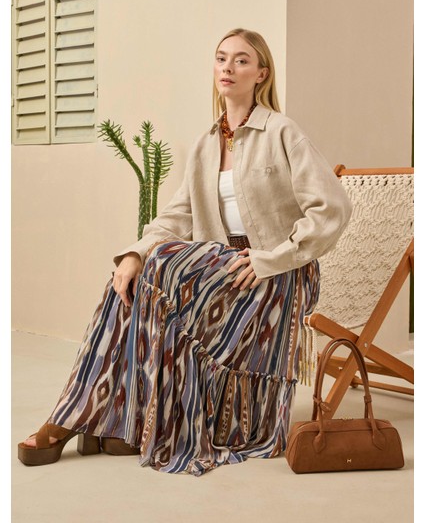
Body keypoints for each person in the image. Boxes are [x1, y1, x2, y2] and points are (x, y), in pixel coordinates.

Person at [18, 28, 352, 476]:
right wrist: (134, 254)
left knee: (162, 265)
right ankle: (108, 418)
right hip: (222, 271)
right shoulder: (205, 144)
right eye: (221, 58)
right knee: (131, 277)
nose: (228, 67)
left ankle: (82, 417)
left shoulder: (282, 132)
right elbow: (176, 216)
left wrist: (270, 259)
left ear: (261, 74)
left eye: (241, 60)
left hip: (275, 275)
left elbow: (332, 209)